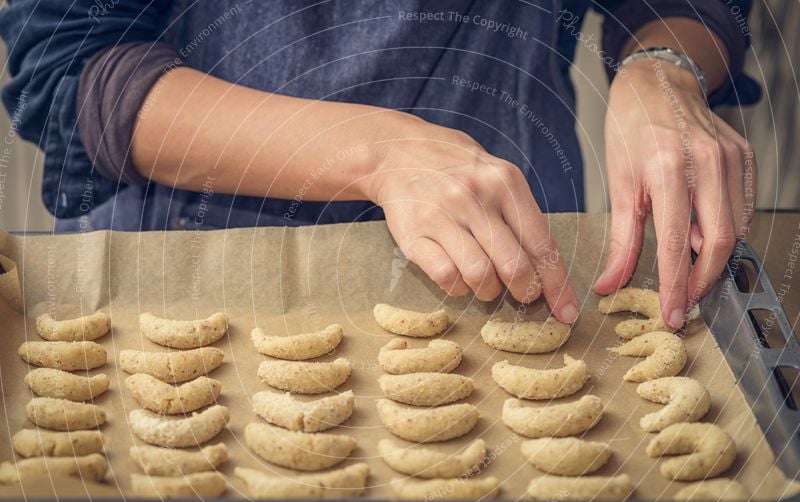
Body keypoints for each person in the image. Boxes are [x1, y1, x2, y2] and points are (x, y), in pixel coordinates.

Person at [0, 1, 758, 327]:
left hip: (516, 249)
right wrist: (379, 153)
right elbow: (74, 65)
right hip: (199, 261)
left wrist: (663, 68)